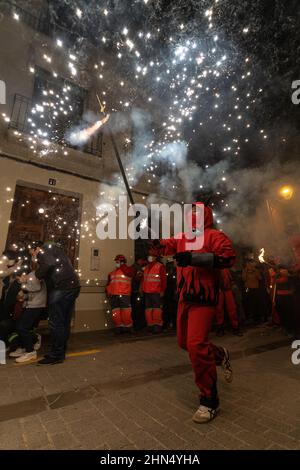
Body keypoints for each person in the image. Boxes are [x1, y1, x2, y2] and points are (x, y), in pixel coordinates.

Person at [152, 202, 235, 423]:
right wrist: (153, 241)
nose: (192, 216)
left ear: (206, 215)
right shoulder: (182, 236)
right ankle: (219, 354)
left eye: (197, 212)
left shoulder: (214, 235)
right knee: (185, 344)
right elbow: (162, 247)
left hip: (204, 300)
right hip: (184, 299)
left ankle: (209, 401)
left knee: (196, 346)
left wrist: (195, 258)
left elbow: (229, 257)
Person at [28, 241, 80, 365]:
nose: (33, 257)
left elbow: (48, 265)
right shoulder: (55, 249)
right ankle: (60, 352)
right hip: (72, 286)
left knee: (56, 322)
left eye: (32, 253)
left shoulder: (44, 250)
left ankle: (56, 355)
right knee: (64, 322)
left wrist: (37, 274)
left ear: (36, 248)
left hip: (62, 288)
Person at [10, 268, 47, 363]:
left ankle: (30, 352)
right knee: (21, 326)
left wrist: (23, 286)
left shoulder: (33, 276)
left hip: (36, 306)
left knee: (22, 328)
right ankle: (24, 347)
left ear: (23, 274)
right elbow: (31, 292)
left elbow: (36, 288)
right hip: (31, 305)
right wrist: (22, 296)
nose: (19, 281)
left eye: (19, 278)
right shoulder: (30, 277)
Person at [106, 255, 135, 334]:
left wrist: (123, 266)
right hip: (114, 295)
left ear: (122, 262)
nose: (116, 263)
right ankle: (119, 327)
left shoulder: (128, 270)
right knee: (116, 312)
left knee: (126, 312)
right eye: (116, 262)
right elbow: (109, 284)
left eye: (118, 261)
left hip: (124, 295)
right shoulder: (112, 273)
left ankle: (128, 327)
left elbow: (131, 273)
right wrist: (108, 293)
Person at [141, 249, 167, 334]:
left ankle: (157, 326)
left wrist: (162, 290)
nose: (150, 257)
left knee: (156, 310)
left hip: (156, 292)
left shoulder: (160, 266)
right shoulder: (146, 267)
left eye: (151, 256)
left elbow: (163, 280)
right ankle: (150, 325)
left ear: (155, 257)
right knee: (148, 310)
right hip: (147, 292)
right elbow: (144, 279)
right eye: (149, 256)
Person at [215, 269, 243, 336]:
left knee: (232, 308)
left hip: (227, 289)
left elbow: (231, 279)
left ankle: (235, 327)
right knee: (219, 309)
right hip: (219, 290)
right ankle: (220, 328)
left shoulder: (226, 269)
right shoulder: (217, 268)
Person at [242, 258, 263, 324]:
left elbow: (260, 278)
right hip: (248, 288)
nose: (249, 265)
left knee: (256, 303)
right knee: (248, 303)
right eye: (248, 264)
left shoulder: (256, 270)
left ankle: (257, 318)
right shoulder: (245, 270)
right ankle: (249, 318)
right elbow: (243, 279)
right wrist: (246, 271)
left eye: (251, 263)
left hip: (255, 288)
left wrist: (254, 271)